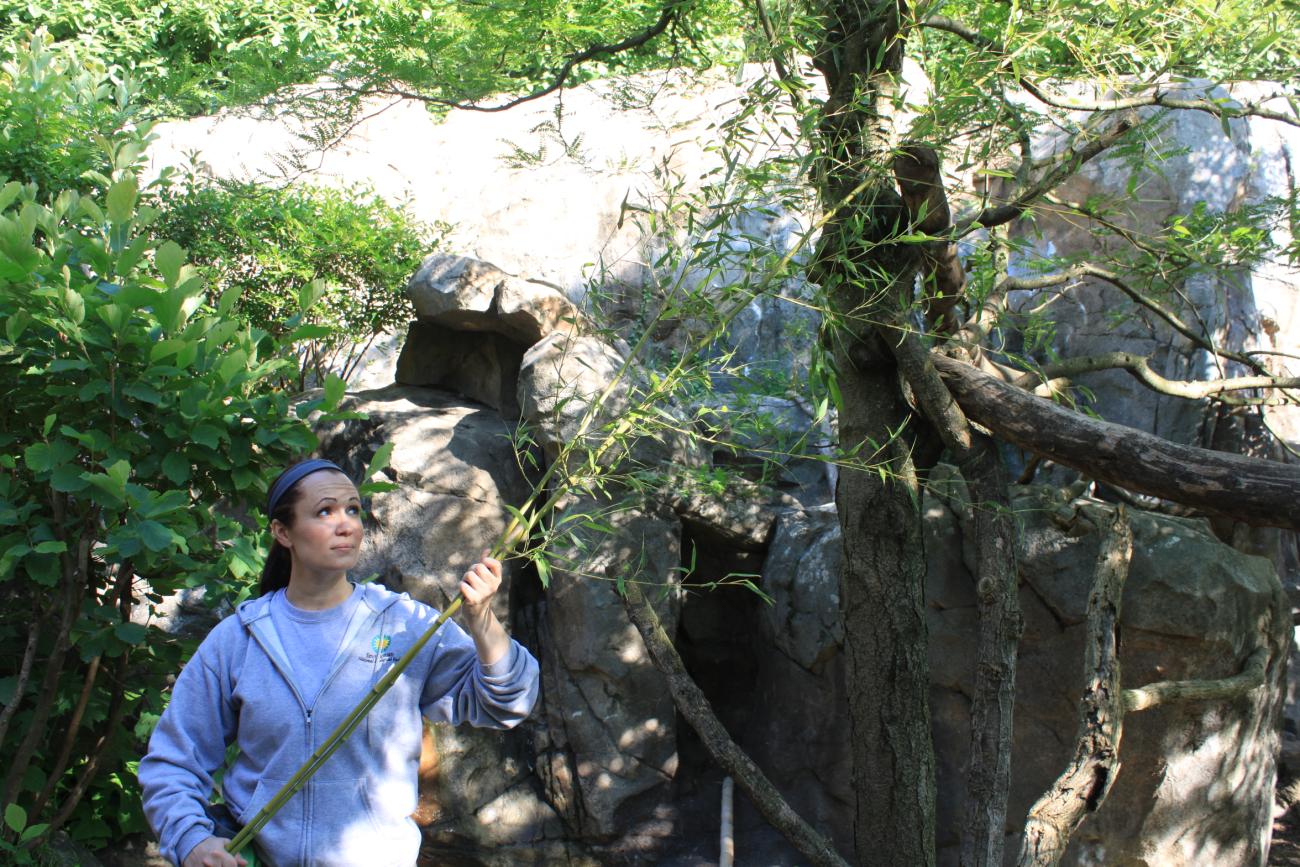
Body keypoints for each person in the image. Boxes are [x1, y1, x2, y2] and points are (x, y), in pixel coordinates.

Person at [139, 458, 540, 867]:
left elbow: (507, 702)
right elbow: (174, 760)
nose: (346, 523)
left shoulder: (405, 625)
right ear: (282, 532)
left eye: (352, 509)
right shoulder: (241, 638)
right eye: (325, 511)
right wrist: (191, 840)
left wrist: (481, 620)